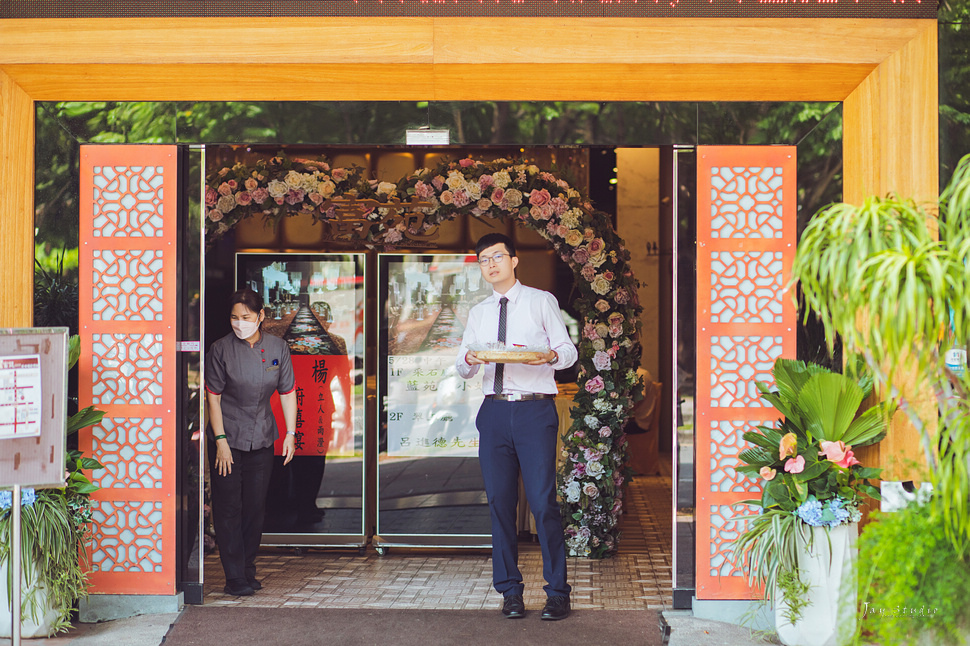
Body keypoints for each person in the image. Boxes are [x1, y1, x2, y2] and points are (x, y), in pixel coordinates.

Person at [456, 233, 578, 621]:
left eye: (497, 257)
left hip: (534, 411)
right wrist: (471, 358)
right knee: (499, 504)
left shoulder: (541, 301)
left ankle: (558, 592)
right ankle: (510, 591)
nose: (490, 264)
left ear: (514, 260)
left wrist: (550, 355)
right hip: (493, 412)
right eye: (483, 260)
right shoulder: (478, 312)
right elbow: (463, 366)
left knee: (543, 504)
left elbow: (568, 351)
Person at [205, 288, 297, 596]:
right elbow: (213, 398)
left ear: (261, 317)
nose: (239, 323)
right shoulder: (220, 349)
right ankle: (234, 577)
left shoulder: (277, 348)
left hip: (261, 437)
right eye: (234, 317)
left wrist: (290, 434)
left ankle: (247, 568)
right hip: (227, 437)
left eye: (246, 317)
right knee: (229, 506)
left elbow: (287, 393)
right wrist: (220, 440)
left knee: (255, 507)